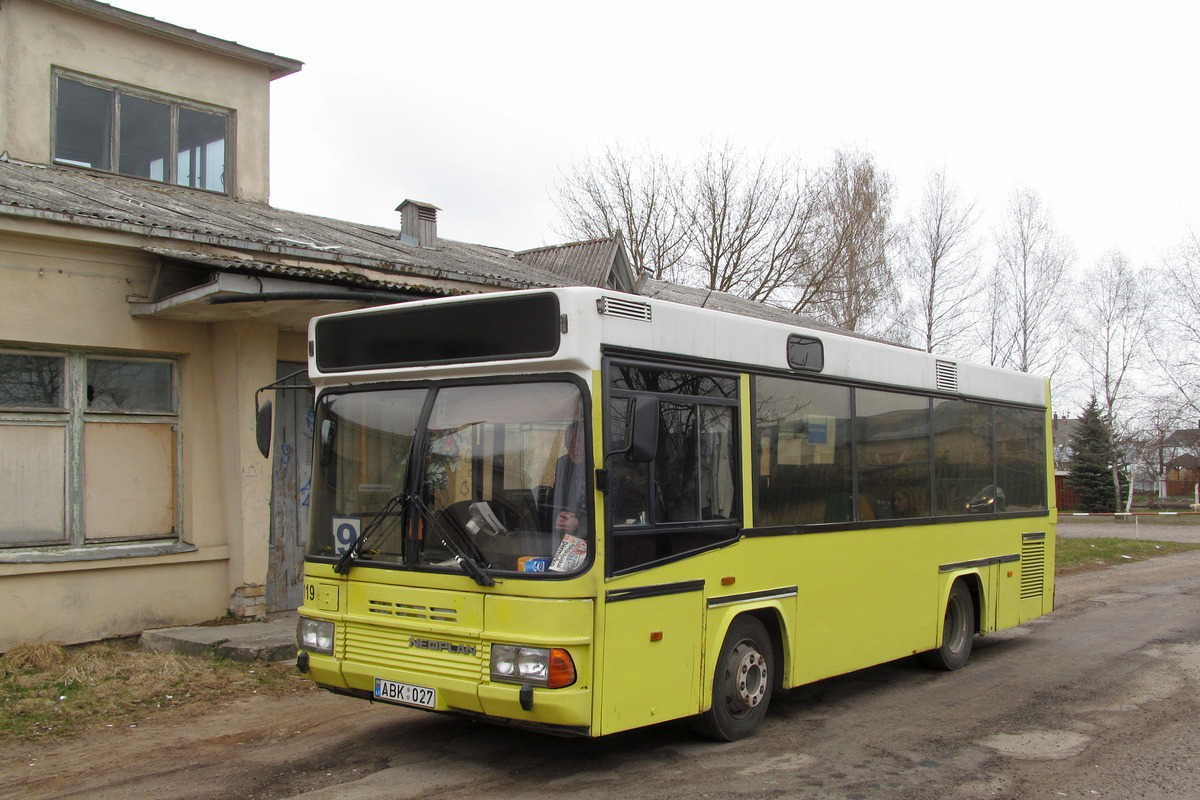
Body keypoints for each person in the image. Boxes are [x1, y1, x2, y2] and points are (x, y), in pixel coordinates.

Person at [552, 421, 588, 538]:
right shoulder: (564, 464)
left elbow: (615, 514)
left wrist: (580, 523)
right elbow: (558, 499)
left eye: (579, 442)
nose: (574, 448)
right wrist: (560, 518)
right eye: (570, 443)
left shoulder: (604, 463)